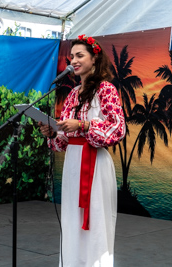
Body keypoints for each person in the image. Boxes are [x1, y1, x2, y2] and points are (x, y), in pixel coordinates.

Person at [39, 34, 126, 267]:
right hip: (73, 164)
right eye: (71, 57)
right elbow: (63, 141)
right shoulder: (72, 94)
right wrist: (53, 133)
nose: (73, 61)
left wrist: (84, 125)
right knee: (71, 218)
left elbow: (117, 129)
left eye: (79, 56)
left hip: (95, 163)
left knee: (96, 218)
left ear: (94, 59)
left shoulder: (106, 90)